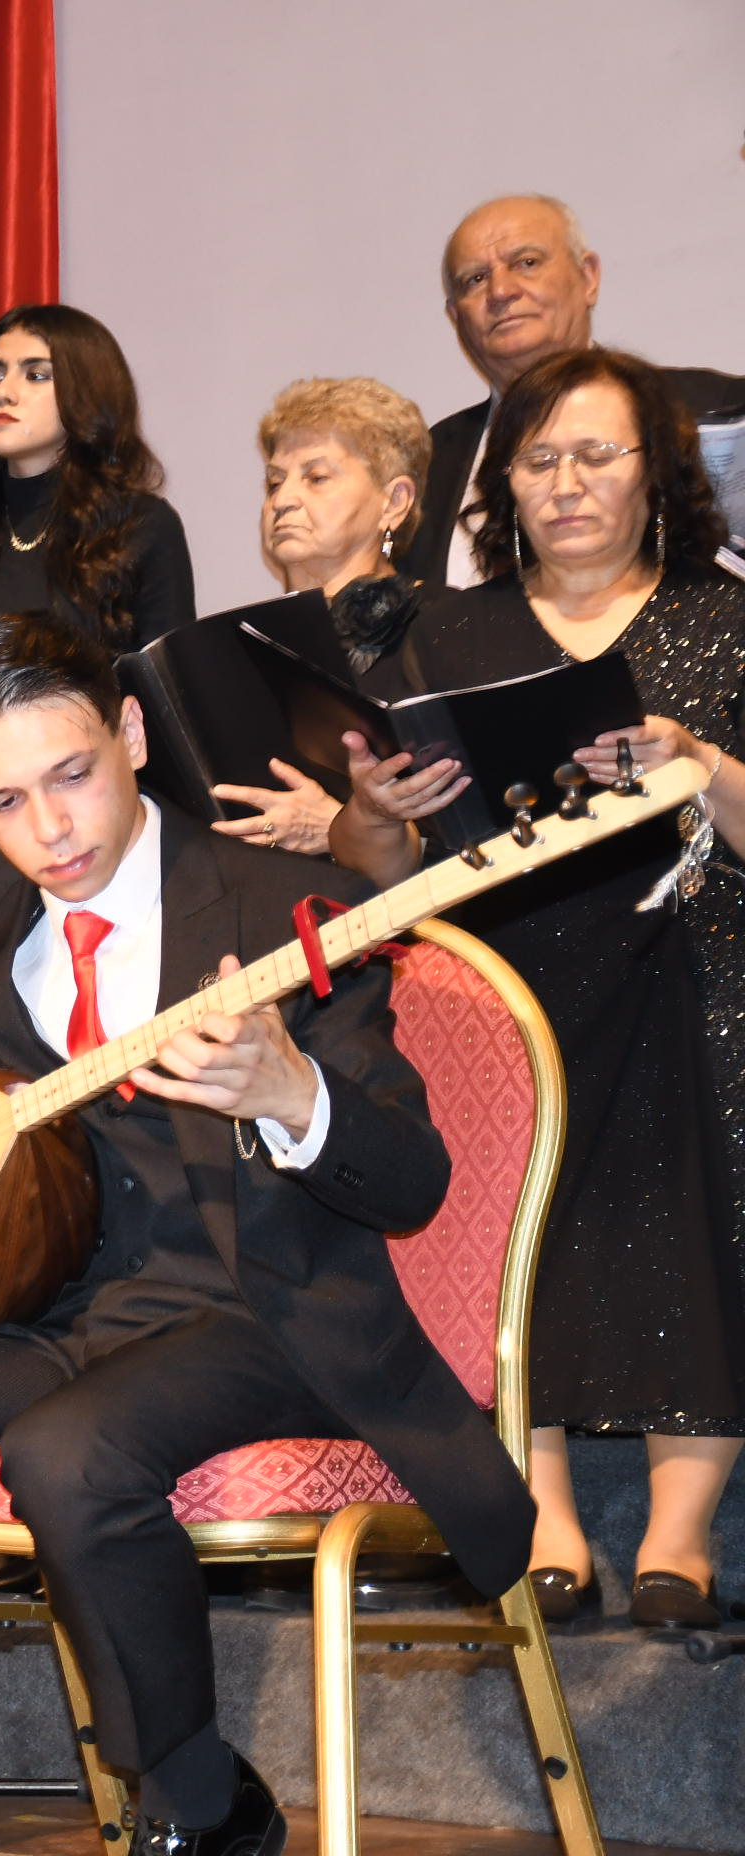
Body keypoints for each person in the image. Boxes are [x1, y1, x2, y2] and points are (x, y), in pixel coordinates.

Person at [0, 612, 529, 1856]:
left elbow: (411, 1178)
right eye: (0, 801)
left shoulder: (283, 902)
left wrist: (293, 1094)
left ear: (131, 732)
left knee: (69, 1450)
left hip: (259, 1316)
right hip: (50, 1320)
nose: (49, 829)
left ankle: (195, 1799)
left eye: (72, 775)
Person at [331, 347, 745, 1630]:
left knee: (705, 1150)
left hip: (695, 953)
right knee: (515, 1197)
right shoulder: (446, 634)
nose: (566, 483)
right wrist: (376, 809)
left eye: (598, 454)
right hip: (502, 966)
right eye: (539, 458)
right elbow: (372, 863)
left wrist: (695, 759)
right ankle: (545, 1510)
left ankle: (680, 1530)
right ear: (503, 480)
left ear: (657, 472)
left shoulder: (723, 619)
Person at [0, 304, 197, 872]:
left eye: (35, 374)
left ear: (86, 392)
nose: (3, 392)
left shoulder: (142, 526)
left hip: (93, 833)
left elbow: (170, 708)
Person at [400, 194, 745, 589]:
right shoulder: (430, 463)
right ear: (455, 315)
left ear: (588, 278)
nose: (501, 291)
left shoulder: (718, 410)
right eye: (475, 279)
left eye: (526, 263)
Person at [209, 376, 436, 855]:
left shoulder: (447, 627)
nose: (282, 500)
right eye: (275, 481)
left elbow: (472, 824)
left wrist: (339, 828)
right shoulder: (237, 646)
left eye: (316, 478)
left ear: (394, 502)